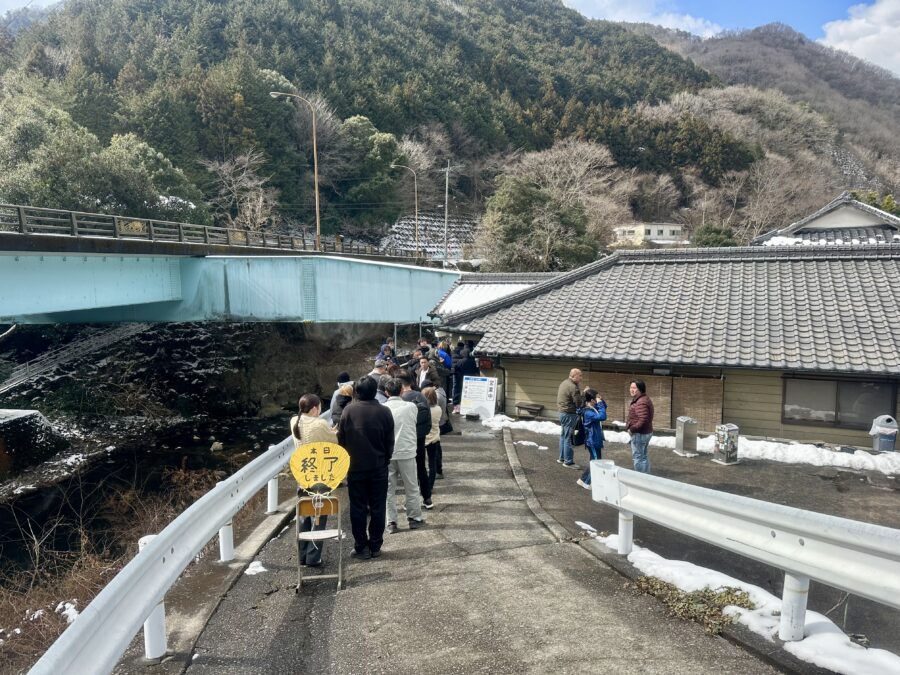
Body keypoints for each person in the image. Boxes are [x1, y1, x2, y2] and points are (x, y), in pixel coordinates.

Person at [337, 375, 394, 559]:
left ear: (357, 392)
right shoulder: (384, 411)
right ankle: (375, 545)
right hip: (378, 466)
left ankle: (360, 545)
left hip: (355, 467)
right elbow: (389, 442)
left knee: (358, 507)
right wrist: (385, 459)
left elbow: (341, 439)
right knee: (378, 506)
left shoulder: (348, 411)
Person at [290, 394, 337, 567]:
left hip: (302, 474)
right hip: (320, 475)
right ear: (315, 408)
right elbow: (334, 442)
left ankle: (302, 555)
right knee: (319, 515)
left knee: (304, 515)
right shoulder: (320, 424)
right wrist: (334, 432)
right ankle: (313, 556)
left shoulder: (295, 420)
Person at [382, 378, 426, 532]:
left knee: (388, 489)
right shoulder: (410, 406)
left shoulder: (383, 408)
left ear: (386, 392)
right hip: (407, 451)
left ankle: (391, 522)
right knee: (412, 487)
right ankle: (414, 518)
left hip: (387, 454)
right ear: (402, 390)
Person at [399, 369, 434, 509]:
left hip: (404, 440)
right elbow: (429, 421)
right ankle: (427, 498)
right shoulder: (420, 396)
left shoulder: (400, 399)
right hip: (419, 439)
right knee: (421, 469)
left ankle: (410, 502)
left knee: (407, 474)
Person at [576, 389, 607, 490]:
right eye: (597, 397)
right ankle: (586, 483)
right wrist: (599, 403)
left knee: (594, 461)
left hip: (595, 439)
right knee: (595, 462)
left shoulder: (592, 408)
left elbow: (604, 407)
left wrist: (601, 401)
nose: (598, 398)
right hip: (592, 440)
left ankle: (583, 480)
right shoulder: (588, 412)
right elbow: (602, 416)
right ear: (592, 400)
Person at [626, 379, 654, 474]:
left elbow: (643, 420)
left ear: (640, 389)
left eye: (634, 388)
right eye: (631, 387)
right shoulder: (643, 399)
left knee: (638, 457)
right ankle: (646, 477)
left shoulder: (641, 402)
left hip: (640, 434)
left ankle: (640, 479)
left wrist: (632, 429)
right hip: (645, 432)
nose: (631, 390)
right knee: (643, 456)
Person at [556, 368, 583, 467]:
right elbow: (579, 403)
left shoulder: (564, 383)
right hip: (569, 414)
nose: (581, 378)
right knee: (568, 437)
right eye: (580, 375)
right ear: (574, 375)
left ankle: (562, 458)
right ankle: (568, 461)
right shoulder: (573, 387)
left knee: (563, 435)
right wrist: (584, 395)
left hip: (562, 412)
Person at [422, 386, 443, 494]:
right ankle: (430, 485)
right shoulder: (438, 409)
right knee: (432, 463)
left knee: (420, 464)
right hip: (434, 438)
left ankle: (422, 484)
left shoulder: (421, 410)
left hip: (422, 438)